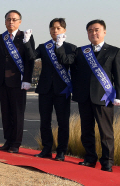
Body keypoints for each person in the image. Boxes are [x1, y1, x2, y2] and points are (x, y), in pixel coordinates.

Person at [56, 19, 120, 172]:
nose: (93, 33)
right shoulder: (81, 51)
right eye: (90, 30)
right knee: (86, 131)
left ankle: (107, 162)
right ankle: (90, 158)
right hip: (84, 97)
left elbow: (118, 76)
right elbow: (66, 61)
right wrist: (59, 46)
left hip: (104, 98)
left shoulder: (114, 51)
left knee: (106, 132)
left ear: (104, 32)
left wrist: (118, 94)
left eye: (96, 30)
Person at [0, 10, 35, 153]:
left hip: (18, 81)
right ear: (5, 21)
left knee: (17, 114)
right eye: (8, 19)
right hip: (2, 81)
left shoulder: (25, 36)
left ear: (20, 22)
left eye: (14, 19)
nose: (11, 22)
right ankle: (7, 141)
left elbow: (29, 60)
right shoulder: (0, 38)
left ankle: (16, 143)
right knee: (6, 113)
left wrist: (27, 79)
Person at [32, 18, 75, 161]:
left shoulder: (71, 48)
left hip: (62, 90)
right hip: (45, 89)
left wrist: (60, 45)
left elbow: (66, 61)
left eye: (58, 28)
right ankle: (46, 149)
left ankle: (61, 151)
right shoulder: (44, 47)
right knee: (45, 121)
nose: (55, 31)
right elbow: (32, 56)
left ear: (64, 30)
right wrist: (27, 41)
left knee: (63, 122)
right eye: (52, 28)